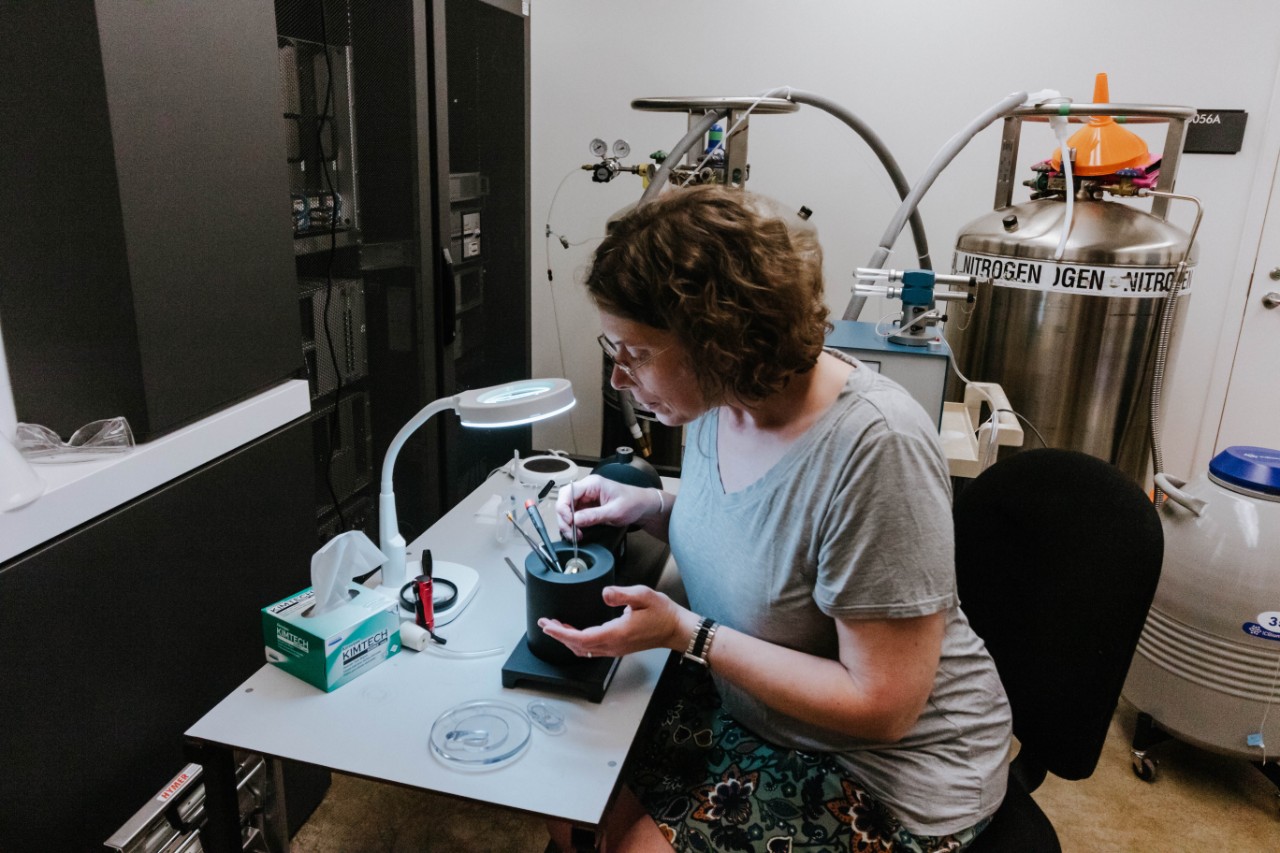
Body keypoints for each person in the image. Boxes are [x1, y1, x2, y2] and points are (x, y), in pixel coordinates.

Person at [541, 185, 1011, 853]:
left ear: (717, 341)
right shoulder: (718, 405)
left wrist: (688, 634)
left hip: (893, 771)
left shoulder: (875, 448)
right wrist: (652, 508)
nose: (619, 376)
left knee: (628, 846)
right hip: (759, 708)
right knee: (567, 795)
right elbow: (761, 541)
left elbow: (885, 706)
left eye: (637, 351)